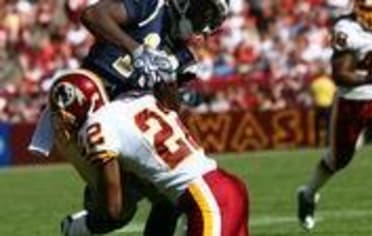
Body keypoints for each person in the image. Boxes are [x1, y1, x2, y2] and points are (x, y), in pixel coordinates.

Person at [49, 70, 249, 235]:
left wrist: (81, 226)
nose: (61, 122)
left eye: (62, 114)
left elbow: (114, 210)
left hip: (207, 200)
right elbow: (161, 200)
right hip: (225, 187)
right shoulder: (136, 100)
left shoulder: (95, 128)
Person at [28, 0, 230, 158]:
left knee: (143, 201)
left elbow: (171, 113)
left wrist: (167, 81)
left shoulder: (184, 57)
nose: (206, 24)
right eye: (205, 12)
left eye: (212, 19)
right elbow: (92, 15)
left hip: (126, 123)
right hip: (86, 101)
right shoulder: (151, 7)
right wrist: (135, 49)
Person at [297, 0, 372, 230]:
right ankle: (308, 193)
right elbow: (340, 74)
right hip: (350, 104)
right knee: (338, 160)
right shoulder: (346, 30)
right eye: (369, 10)